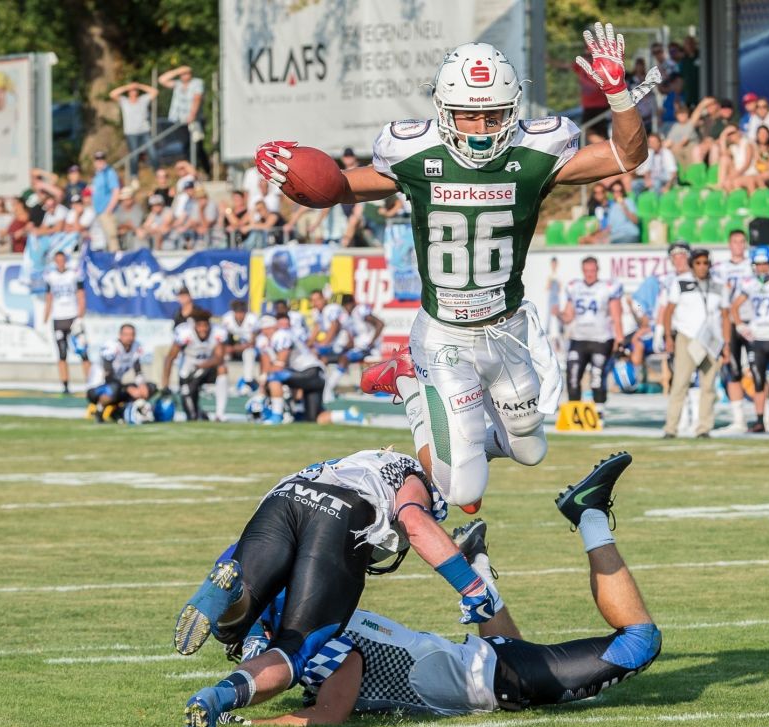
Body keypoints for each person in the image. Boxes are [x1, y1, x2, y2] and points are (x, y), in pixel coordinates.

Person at [258, 23, 654, 512]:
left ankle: (460, 446)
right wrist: (296, 173)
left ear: (513, 111)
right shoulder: (413, 152)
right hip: (445, 337)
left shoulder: (536, 153)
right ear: (444, 111)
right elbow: (338, 187)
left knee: (529, 448)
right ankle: (408, 382)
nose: (483, 129)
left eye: (494, 116)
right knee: (464, 492)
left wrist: (617, 93)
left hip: (507, 329)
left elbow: (627, 154)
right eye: (469, 116)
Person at [213, 454, 660, 727]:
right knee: (523, 653)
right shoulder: (320, 611)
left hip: (491, 675)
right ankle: (478, 564)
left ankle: (589, 515)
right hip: (488, 667)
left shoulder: (320, 643)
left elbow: (330, 713)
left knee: (640, 641)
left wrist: (248, 718)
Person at [173, 449, 496, 727]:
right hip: (339, 515)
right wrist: (472, 587)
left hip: (283, 498)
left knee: (231, 627)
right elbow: (414, 521)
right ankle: (214, 699)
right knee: (295, 648)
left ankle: (232, 594)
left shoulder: (366, 461)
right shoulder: (415, 479)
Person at [662, 248, 725, 438]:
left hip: (711, 340)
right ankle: (671, 427)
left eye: (705, 263)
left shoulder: (718, 285)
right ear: (691, 265)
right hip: (687, 337)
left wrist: (727, 343)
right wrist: (668, 337)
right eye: (698, 263)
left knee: (708, 386)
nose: (702, 267)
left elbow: (725, 314)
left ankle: (704, 427)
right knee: (680, 384)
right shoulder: (680, 283)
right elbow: (668, 311)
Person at [558, 256, 623, 420]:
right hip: (579, 338)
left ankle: (599, 413)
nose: (589, 274)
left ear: (597, 270)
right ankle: (575, 414)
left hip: (601, 339)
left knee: (596, 377)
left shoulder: (607, 287)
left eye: (592, 271)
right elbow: (569, 315)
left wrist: (619, 338)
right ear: (582, 271)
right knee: (572, 377)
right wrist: (560, 315)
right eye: (587, 271)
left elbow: (616, 315)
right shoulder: (575, 287)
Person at [729, 246, 769, 432]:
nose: (762, 268)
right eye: (759, 265)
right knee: (758, 380)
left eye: (765, 264)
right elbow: (734, 306)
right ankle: (761, 420)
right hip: (758, 337)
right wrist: (740, 326)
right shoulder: (749, 283)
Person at [714, 230, 753, 434]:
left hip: (752, 322)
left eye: (741, 242)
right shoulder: (721, 269)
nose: (738, 245)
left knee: (759, 370)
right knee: (733, 369)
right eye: (734, 242)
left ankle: (764, 417)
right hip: (730, 322)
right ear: (729, 245)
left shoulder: (753, 264)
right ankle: (739, 419)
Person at [255, 314, 327, 424]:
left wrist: (263, 387)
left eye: (267, 329)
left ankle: (277, 415)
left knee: (274, 376)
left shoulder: (280, 335)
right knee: (315, 419)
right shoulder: (276, 338)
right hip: (316, 375)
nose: (265, 332)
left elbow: (279, 365)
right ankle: (349, 416)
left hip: (310, 373)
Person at [161, 310, 229, 422]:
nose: (203, 329)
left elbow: (219, 357)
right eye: (199, 326)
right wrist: (165, 384)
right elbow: (170, 358)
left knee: (222, 368)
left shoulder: (217, 332)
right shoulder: (184, 332)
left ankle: (219, 414)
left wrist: (201, 366)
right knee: (191, 415)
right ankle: (200, 413)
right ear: (194, 325)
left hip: (208, 366)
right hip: (188, 369)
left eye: (205, 325)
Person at [85, 323, 154, 422]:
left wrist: (142, 385)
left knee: (150, 387)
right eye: (126, 334)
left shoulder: (136, 347)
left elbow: (138, 371)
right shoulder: (111, 347)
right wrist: (128, 388)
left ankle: (123, 411)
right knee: (114, 388)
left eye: (132, 334)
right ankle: (99, 410)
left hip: (116, 386)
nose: (129, 337)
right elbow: (108, 376)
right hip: (97, 388)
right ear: (120, 335)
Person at [42, 250, 89, 393]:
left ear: (65, 260)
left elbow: (81, 296)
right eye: (58, 260)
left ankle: (90, 383)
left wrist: (80, 317)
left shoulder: (73, 274)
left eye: (62, 260)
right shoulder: (51, 276)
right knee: (62, 353)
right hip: (58, 319)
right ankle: (65, 385)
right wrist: (45, 319)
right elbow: (49, 298)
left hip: (73, 317)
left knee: (83, 352)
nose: (60, 263)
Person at [159, 65, 209, 172]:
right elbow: (162, 80)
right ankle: (190, 170)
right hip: (180, 121)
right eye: (183, 74)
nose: (185, 76)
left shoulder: (197, 83)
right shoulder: (178, 84)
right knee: (186, 146)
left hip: (194, 121)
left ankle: (205, 169)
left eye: (187, 73)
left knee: (197, 146)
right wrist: (177, 71)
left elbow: (197, 98)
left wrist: (192, 114)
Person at [109, 81, 159, 176]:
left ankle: (157, 172)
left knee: (152, 152)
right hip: (131, 133)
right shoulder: (124, 101)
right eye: (131, 90)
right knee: (134, 155)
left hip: (144, 131)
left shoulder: (143, 100)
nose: (133, 92)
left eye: (134, 90)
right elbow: (112, 94)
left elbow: (155, 92)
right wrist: (126, 87)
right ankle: (134, 176)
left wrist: (139, 85)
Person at [222, 300, 259, 394]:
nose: (240, 314)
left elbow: (253, 343)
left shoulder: (252, 319)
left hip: (248, 348)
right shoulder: (227, 318)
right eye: (237, 312)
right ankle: (222, 382)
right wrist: (228, 348)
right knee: (221, 354)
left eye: (242, 312)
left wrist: (235, 348)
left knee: (248, 353)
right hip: (233, 347)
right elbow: (223, 339)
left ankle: (247, 382)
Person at [90, 150, 121, 251]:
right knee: (102, 238)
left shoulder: (109, 173)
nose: (100, 162)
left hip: (106, 211)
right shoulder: (97, 174)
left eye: (102, 159)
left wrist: (109, 209)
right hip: (98, 211)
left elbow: (116, 191)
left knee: (111, 236)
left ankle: (115, 260)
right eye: (97, 160)